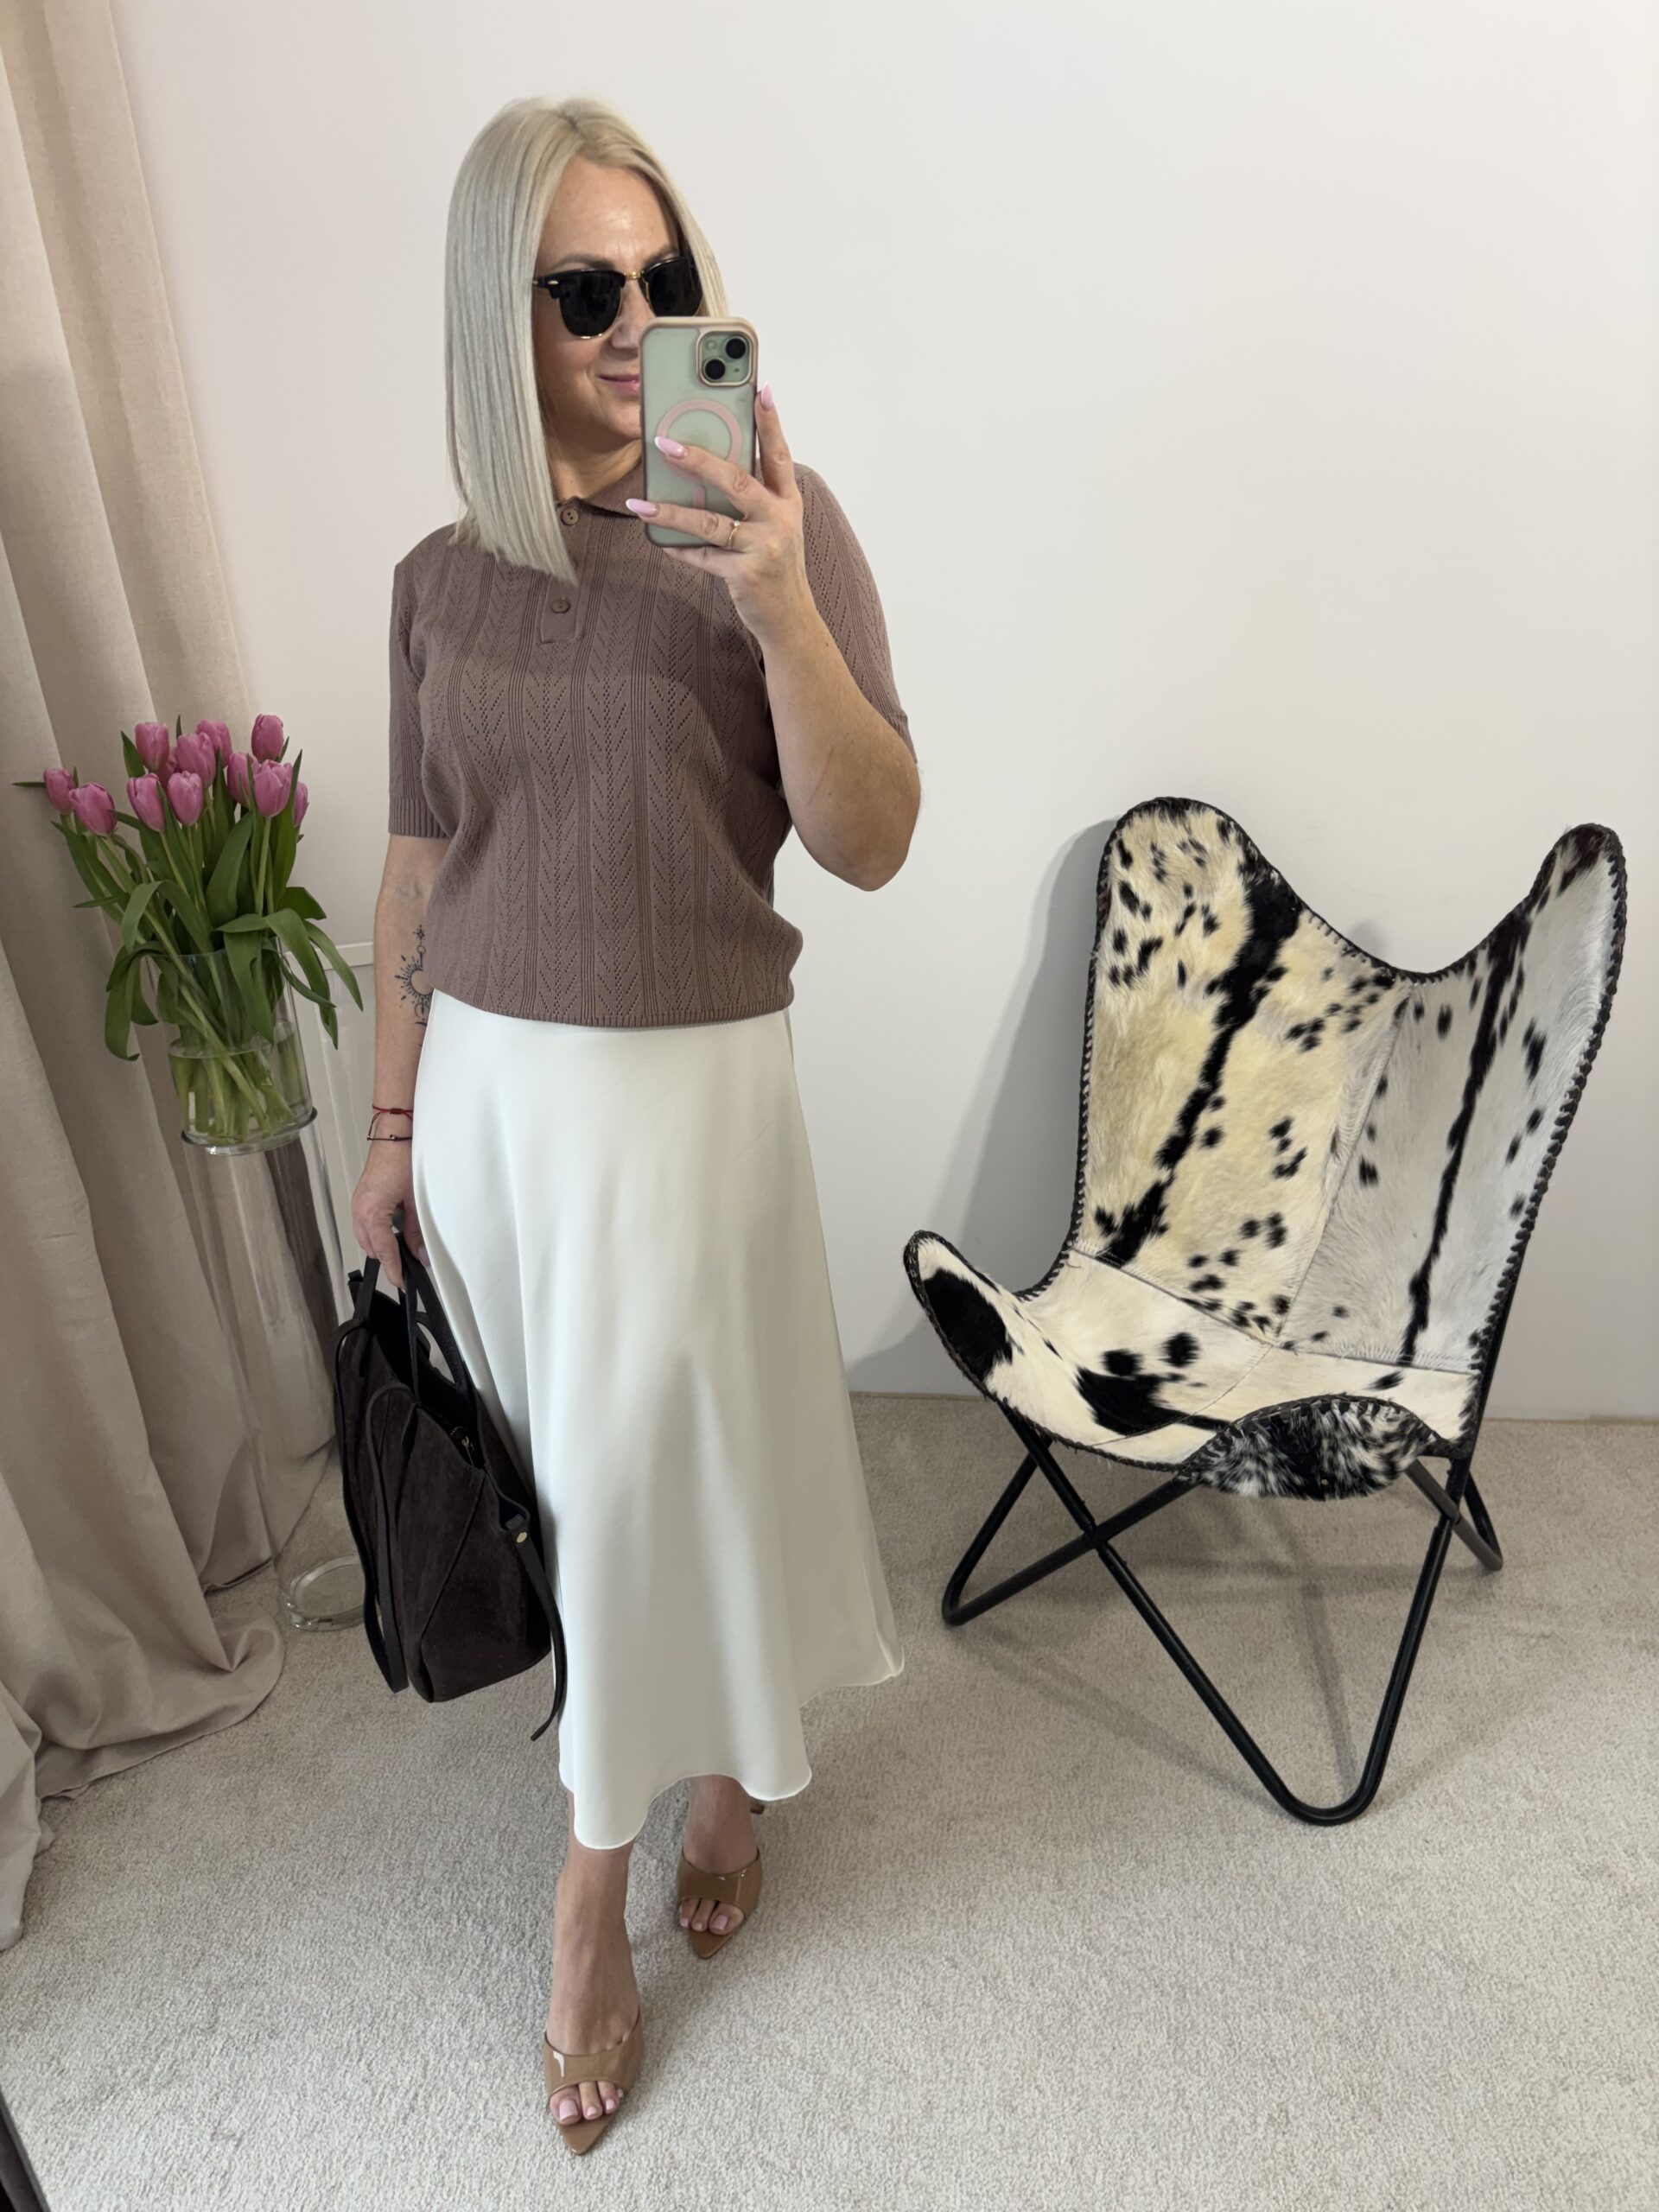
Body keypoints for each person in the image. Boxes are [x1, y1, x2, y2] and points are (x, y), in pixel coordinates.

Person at [348, 94, 920, 2153]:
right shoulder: (438, 579)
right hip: (498, 1114)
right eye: (583, 287)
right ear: (492, 312)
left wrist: (775, 601)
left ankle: (589, 1895)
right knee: (592, 1493)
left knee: (648, 1475)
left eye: (665, 280)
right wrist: (391, 1125)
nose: (632, 322)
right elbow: (419, 866)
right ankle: (717, 1772)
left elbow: (872, 834)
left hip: (687, 1102)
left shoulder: (774, 514)